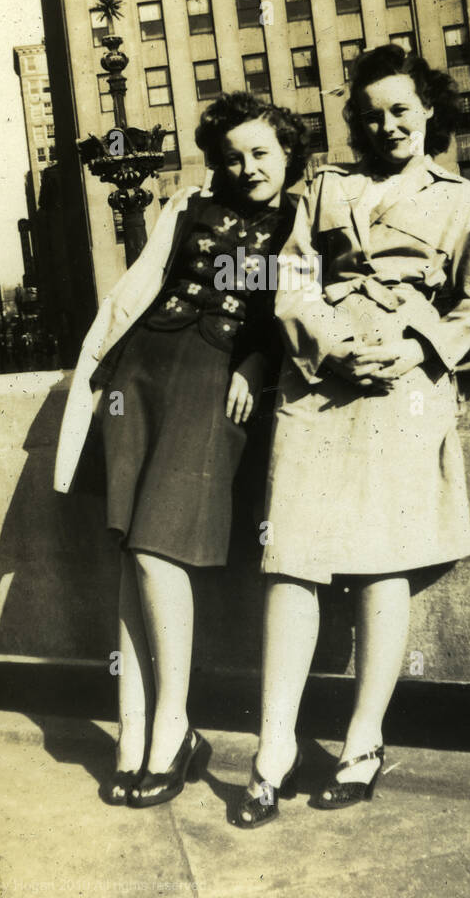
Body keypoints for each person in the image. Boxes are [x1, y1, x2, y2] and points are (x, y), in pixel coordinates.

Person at [236, 44, 470, 827]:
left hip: (406, 387)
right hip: (319, 382)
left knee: (381, 563)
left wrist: (417, 347)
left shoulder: (459, 199)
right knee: (291, 560)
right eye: (371, 114)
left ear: (429, 109)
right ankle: (274, 746)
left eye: (401, 109)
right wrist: (332, 343)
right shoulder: (326, 187)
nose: (387, 124)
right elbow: (292, 280)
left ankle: (362, 743)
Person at [53, 93, 308, 808]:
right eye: (232, 155)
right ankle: (138, 733)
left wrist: (256, 369)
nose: (247, 166)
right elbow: (143, 286)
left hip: (214, 376)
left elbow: (291, 313)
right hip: (141, 373)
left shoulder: (300, 220)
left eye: (261, 152)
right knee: (135, 552)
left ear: (289, 154)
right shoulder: (188, 208)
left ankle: (174, 726)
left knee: (158, 548)